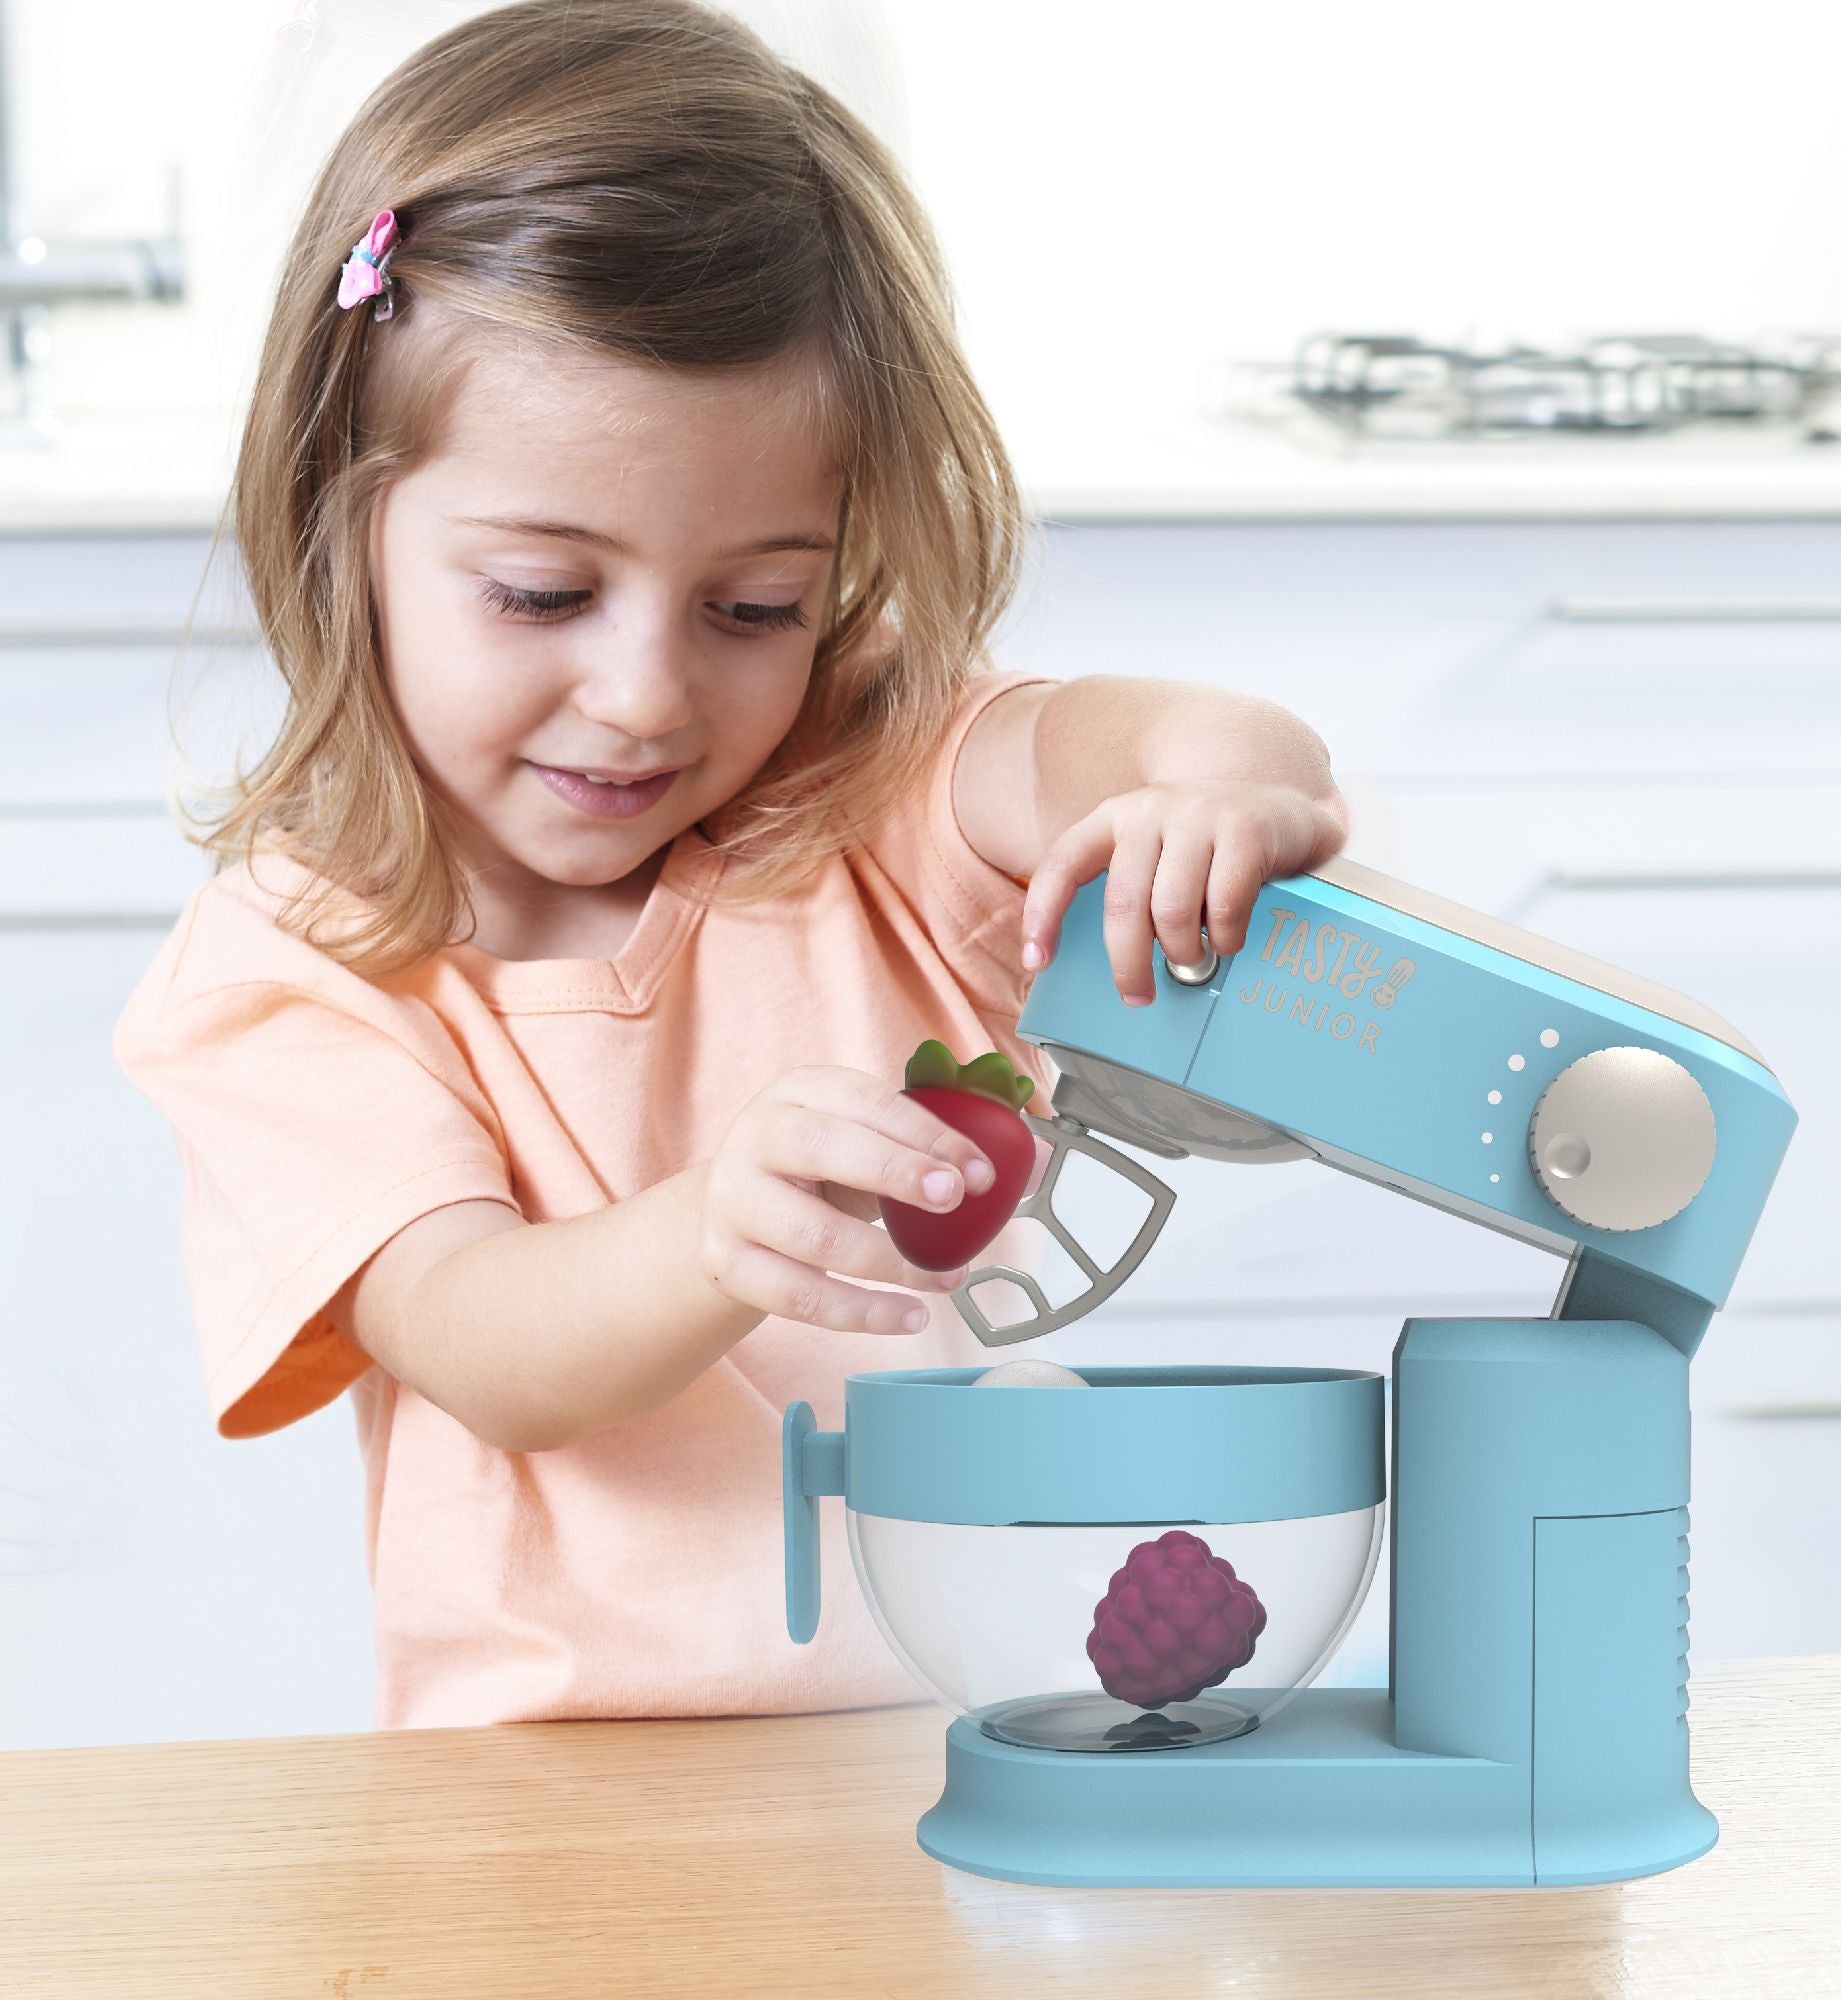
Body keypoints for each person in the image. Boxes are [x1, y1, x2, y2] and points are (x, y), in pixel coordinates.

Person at [113, 0, 1348, 1729]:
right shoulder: (293, 969)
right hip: (548, 1806)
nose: (647, 695)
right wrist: (711, 1227)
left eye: (755, 606)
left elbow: (1136, 737)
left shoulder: (867, 782)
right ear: (344, 519)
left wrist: (1224, 785)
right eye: (544, 593)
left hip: (956, 1749)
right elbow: (479, 1337)